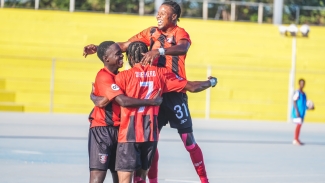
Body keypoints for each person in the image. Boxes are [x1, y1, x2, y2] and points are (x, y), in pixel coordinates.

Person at [83, 1, 212, 182]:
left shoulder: (179, 33)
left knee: (188, 141)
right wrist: (99, 48)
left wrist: (159, 51)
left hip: (175, 90)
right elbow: (125, 45)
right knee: (151, 140)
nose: (158, 16)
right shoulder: (151, 32)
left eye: (162, 13)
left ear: (173, 17)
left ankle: (204, 180)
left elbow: (183, 48)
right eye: (158, 13)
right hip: (154, 90)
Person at [110, 41, 217, 183]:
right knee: (184, 144)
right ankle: (204, 180)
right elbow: (191, 86)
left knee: (131, 175)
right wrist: (211, 82)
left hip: (131, 130)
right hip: (151, 127)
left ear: (129, 57)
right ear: (147, 54)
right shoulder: (162, 73)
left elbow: (109, 98)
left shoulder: (121, 77)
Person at [88, 41, 163, 183]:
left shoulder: (121, 77)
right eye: (118, 54)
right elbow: (120, 101)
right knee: (98, 176)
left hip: (120, 130)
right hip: (102, 130)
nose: (122, 56)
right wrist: (152, 102)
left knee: (119, 175)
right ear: (106, 59)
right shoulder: (104, 76)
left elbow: (103, 100)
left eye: (122, 54)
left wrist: (94, 97)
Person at [292, 78, 314, 146]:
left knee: (300, 125)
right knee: (298, 125)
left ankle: (297, 139)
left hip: (302, 112)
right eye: (301, 83)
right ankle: (295, 139)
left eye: (303, 83)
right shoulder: (297, 92)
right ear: (299, 84)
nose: (302, 85)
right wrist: (296, 111)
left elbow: (304, 103)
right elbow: (294, 101)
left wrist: (309, 107)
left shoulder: (304, 94)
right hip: (298, 112)